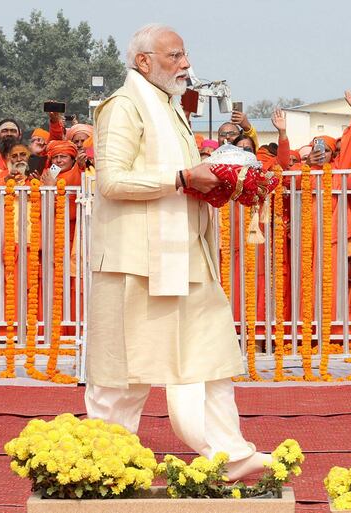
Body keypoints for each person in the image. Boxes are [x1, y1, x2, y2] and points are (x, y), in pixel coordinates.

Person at [86, 23, 269, 480]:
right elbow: (111, 182)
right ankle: (104, 466)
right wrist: (184, 180)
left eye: (185, 55)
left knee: (211, 358)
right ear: (144, 62)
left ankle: (230, 456)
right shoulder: (124, 106)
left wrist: (224, 182)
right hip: (136, 263)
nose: (185, 65)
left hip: (187, 258)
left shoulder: (170, 107)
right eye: (175, 56)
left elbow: (185, 174)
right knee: (124, 376)